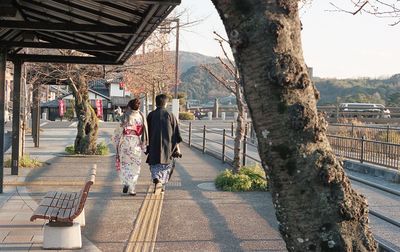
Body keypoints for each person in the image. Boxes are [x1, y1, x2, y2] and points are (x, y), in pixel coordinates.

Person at [146, 94, 182, 194]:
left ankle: (156, 180)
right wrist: (177, 149)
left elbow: (146, 131)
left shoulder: (151, 115)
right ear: (166, 103)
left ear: (156, 102)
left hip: (153, 144)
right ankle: (161, 183)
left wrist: (146, 145)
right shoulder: (170, 115)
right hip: (168, 146)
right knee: (166, 166)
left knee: (154, 164)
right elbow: (176, 134)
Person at [112, 98, 148, 196]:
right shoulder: (141, 116)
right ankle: (132, 188)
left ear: (129, 106)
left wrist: (117, 141)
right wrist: (144, 145)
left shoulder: (126, 115)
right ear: (138, 106)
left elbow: (119, 128)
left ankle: (126, 182)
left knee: (125, 165)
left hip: (125, 142)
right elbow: (144, 132)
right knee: (135, 166)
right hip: (136, 142)